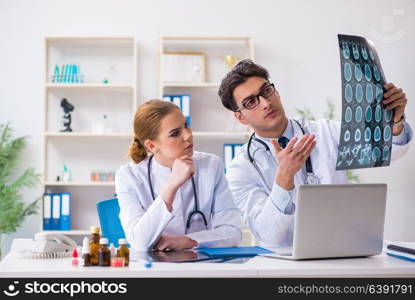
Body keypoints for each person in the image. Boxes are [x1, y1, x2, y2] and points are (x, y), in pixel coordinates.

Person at [218, 59, 412, 248]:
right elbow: (268, 234)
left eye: (266, 91)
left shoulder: (325, 132)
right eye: (251, 102)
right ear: (240, 117)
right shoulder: (240, 169)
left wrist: (394, 121)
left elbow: (389, 151)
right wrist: (284, 178)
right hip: (285, 268)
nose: (265, 103)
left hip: (345, 253)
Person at [115, 100, 242, 251]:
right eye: (175, 133)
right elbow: (140, 243)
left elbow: (233, 232)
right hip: (154, 268)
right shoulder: (129, 176)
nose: (188, 135)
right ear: (151, 145)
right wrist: (172, 184)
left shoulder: (211, 165)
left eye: (186, 125)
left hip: (203, 264)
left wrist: (188, 241)